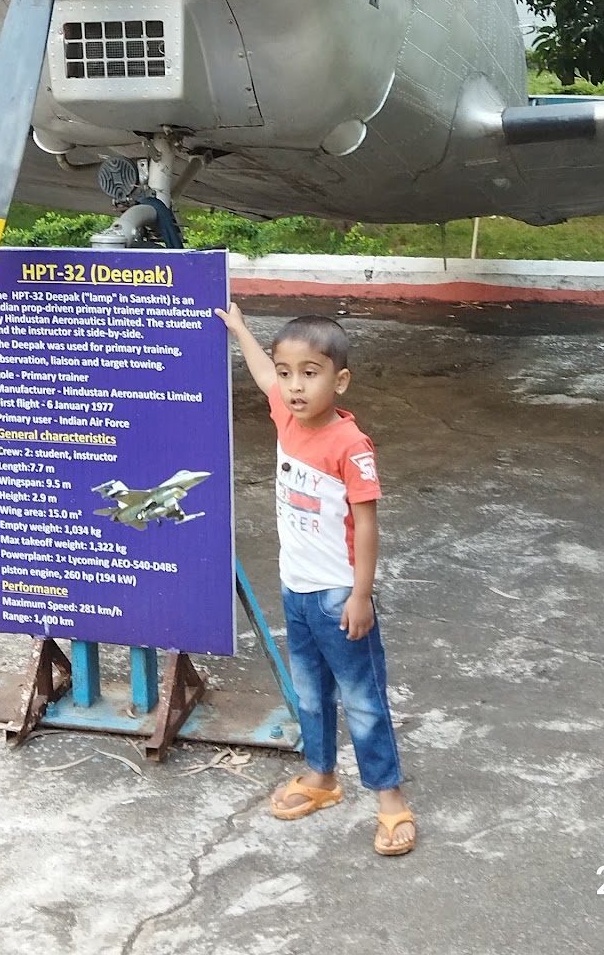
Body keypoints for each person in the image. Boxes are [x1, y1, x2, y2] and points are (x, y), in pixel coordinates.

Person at [216, 304, 416, 857]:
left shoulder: (350, 446)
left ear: (340, 379)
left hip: (337, 596)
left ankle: (390, 799)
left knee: (363, 698)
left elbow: (368, 524)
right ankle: (322, 778)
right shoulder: (286, 416)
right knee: (309, 693)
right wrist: (238, 329)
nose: (294, 385)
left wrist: (360, 594)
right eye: (288, 373)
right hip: (296, 589)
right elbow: (261, 376)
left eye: (310, 372)